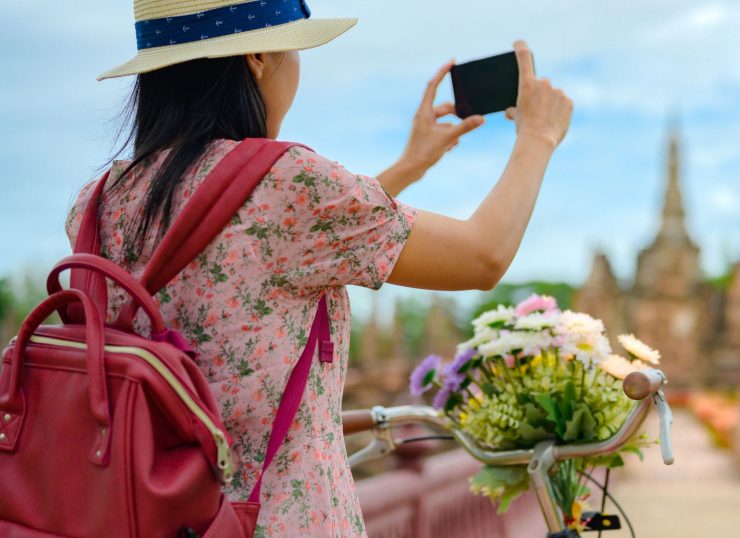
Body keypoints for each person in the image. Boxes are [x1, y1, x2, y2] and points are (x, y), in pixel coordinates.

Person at [64, 1, 572, 536]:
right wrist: (537, 139)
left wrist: (408, 167)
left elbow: (263, 248)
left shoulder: (97, 202)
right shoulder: (288, 182)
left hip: (144, 517)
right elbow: (483, 255)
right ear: (258, 55)